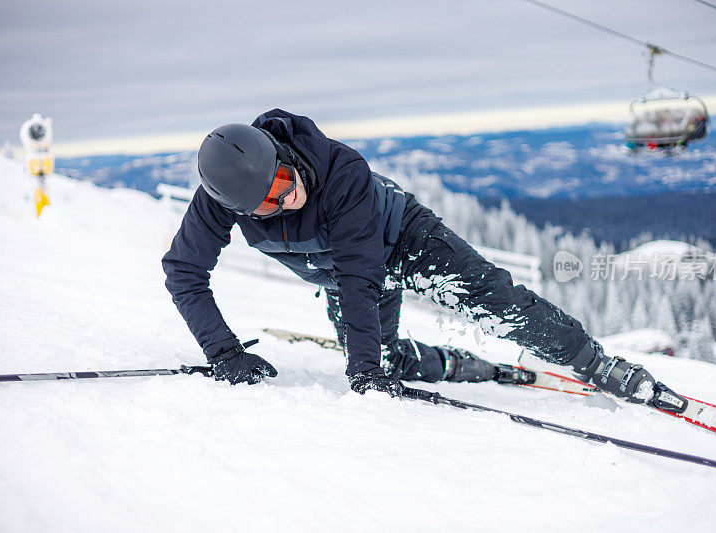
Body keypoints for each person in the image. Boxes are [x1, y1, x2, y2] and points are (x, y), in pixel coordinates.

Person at [162, 109, 686, 412]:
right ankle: (469, 366)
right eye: (265, 205)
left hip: (403, 238)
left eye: (282, 181)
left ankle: (602, 366)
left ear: (282, 156)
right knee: (384, 362)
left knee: (499, 303)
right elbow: (183, 271)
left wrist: (362, 374)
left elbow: (360, 277)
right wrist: (225, 354)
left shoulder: (341, 170)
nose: (283, 200)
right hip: (345, 276)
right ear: (234, 207)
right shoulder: (218, 199)